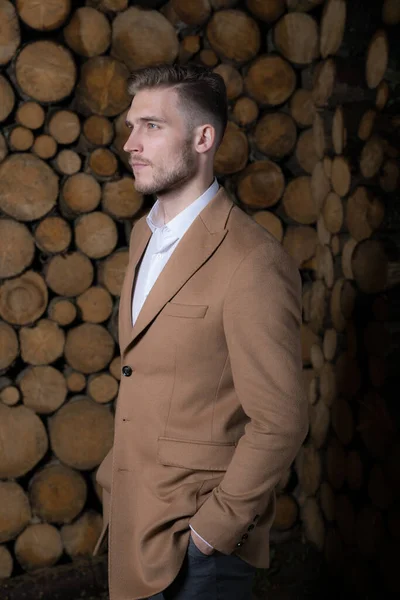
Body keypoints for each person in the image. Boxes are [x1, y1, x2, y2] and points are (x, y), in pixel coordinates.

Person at [93, 64, 308, 600]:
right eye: (130, 126)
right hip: (135, 517)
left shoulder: (252, 261)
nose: (130, 143)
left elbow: (280, 420)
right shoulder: (145, 237)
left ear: (203, 137)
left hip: (198, 547)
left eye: (151, 126)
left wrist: (214, 528)